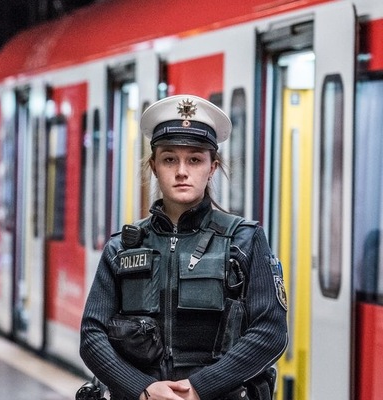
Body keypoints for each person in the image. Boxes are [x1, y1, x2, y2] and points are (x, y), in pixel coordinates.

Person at [79, 95, 287, 400]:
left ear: (212, 167)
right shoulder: (121, 248)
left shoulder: (245, 241)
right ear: (154, 165)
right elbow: (92, 337)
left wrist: (199, 389)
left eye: (194, 159)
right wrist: (143, 389)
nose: (181, 171)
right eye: (169, 159)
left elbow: (270, 333)